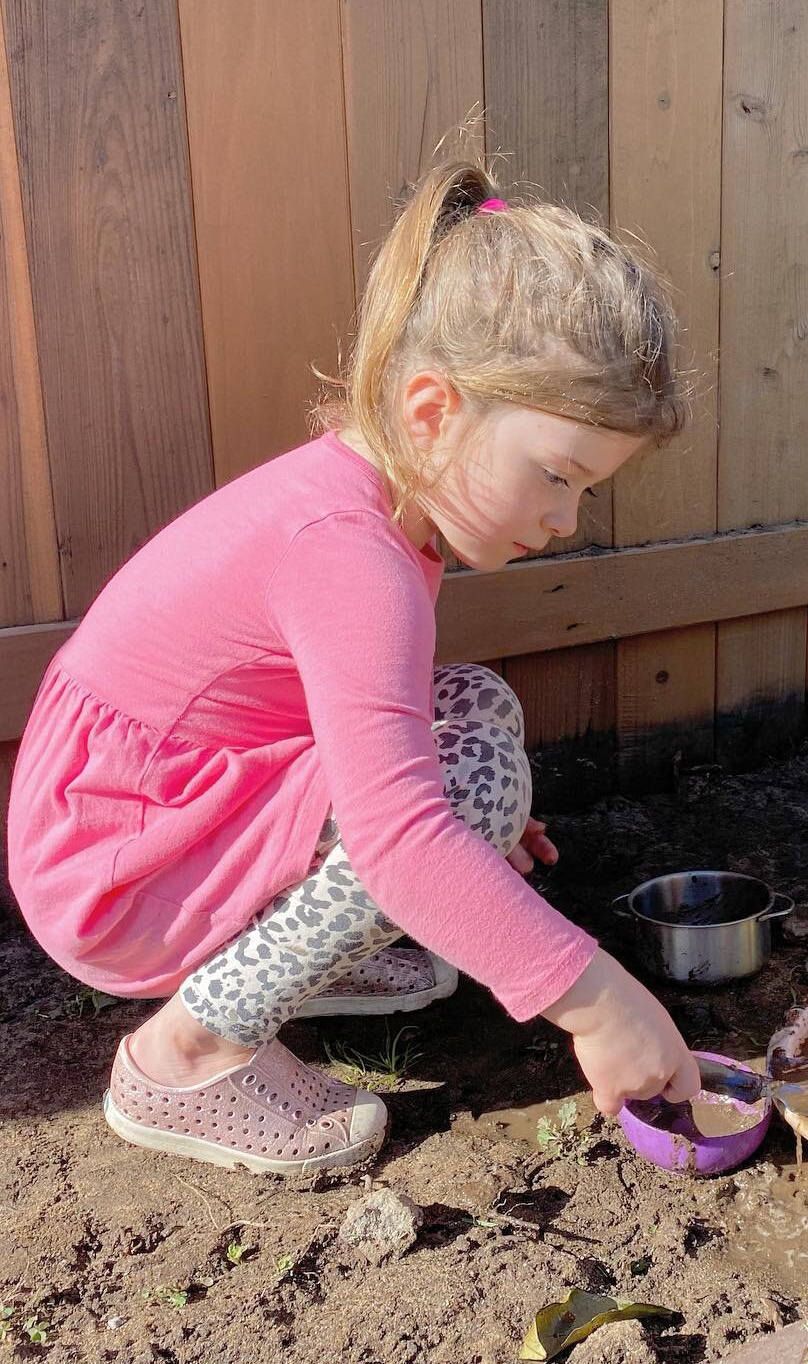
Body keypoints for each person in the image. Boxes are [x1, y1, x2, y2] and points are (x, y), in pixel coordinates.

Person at [5, 159, 703, 1174]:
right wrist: (598, 1001)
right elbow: (401, 834)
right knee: (453, 795)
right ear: (432, 410)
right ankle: (184, 1057)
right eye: (558, 477)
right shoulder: (349, 551)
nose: (565, 521)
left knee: (468, 714)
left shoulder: (380, 506)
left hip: (163, 807)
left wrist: (467, 846)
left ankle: (305, 960)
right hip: (117, 864)